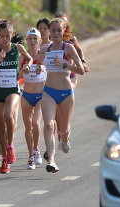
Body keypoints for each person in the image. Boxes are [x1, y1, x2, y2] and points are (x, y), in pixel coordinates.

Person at [36, 18, 85, 173]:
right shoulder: (45, 49)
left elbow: (81, 70)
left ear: (63, 31)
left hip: (66, 93)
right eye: (53, 30)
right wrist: (36, 68)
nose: (56, 33)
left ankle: (65, 138)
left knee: (63, 128)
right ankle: (51, 160)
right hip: (49, 91)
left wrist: (64, 65)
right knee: (49, 125)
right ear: (49, 31)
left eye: (59, 30)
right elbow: (38, 66)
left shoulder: (68, 48)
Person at [0, 21, 33, 174]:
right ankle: (5, 160)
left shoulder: (17, 48)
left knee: (8, 115)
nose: (5, 39)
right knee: (0, 129)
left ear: (12, 35)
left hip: (12, 89)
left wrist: (27, 66)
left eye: (8, 36)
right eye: (2, 36)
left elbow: (29, 58)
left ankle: (10, 146)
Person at [21, 28, 45, 170]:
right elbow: (17, 77)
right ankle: (30, 156)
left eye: (35, 38)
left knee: (36, 123)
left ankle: (36, 149)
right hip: (27, 95)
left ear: (40, 40)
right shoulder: (22, 56)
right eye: (30, 38)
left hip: (41, 95)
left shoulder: (44, 55)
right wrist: (22, 72)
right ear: (26, 41)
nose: (32, 41)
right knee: (28, 127)